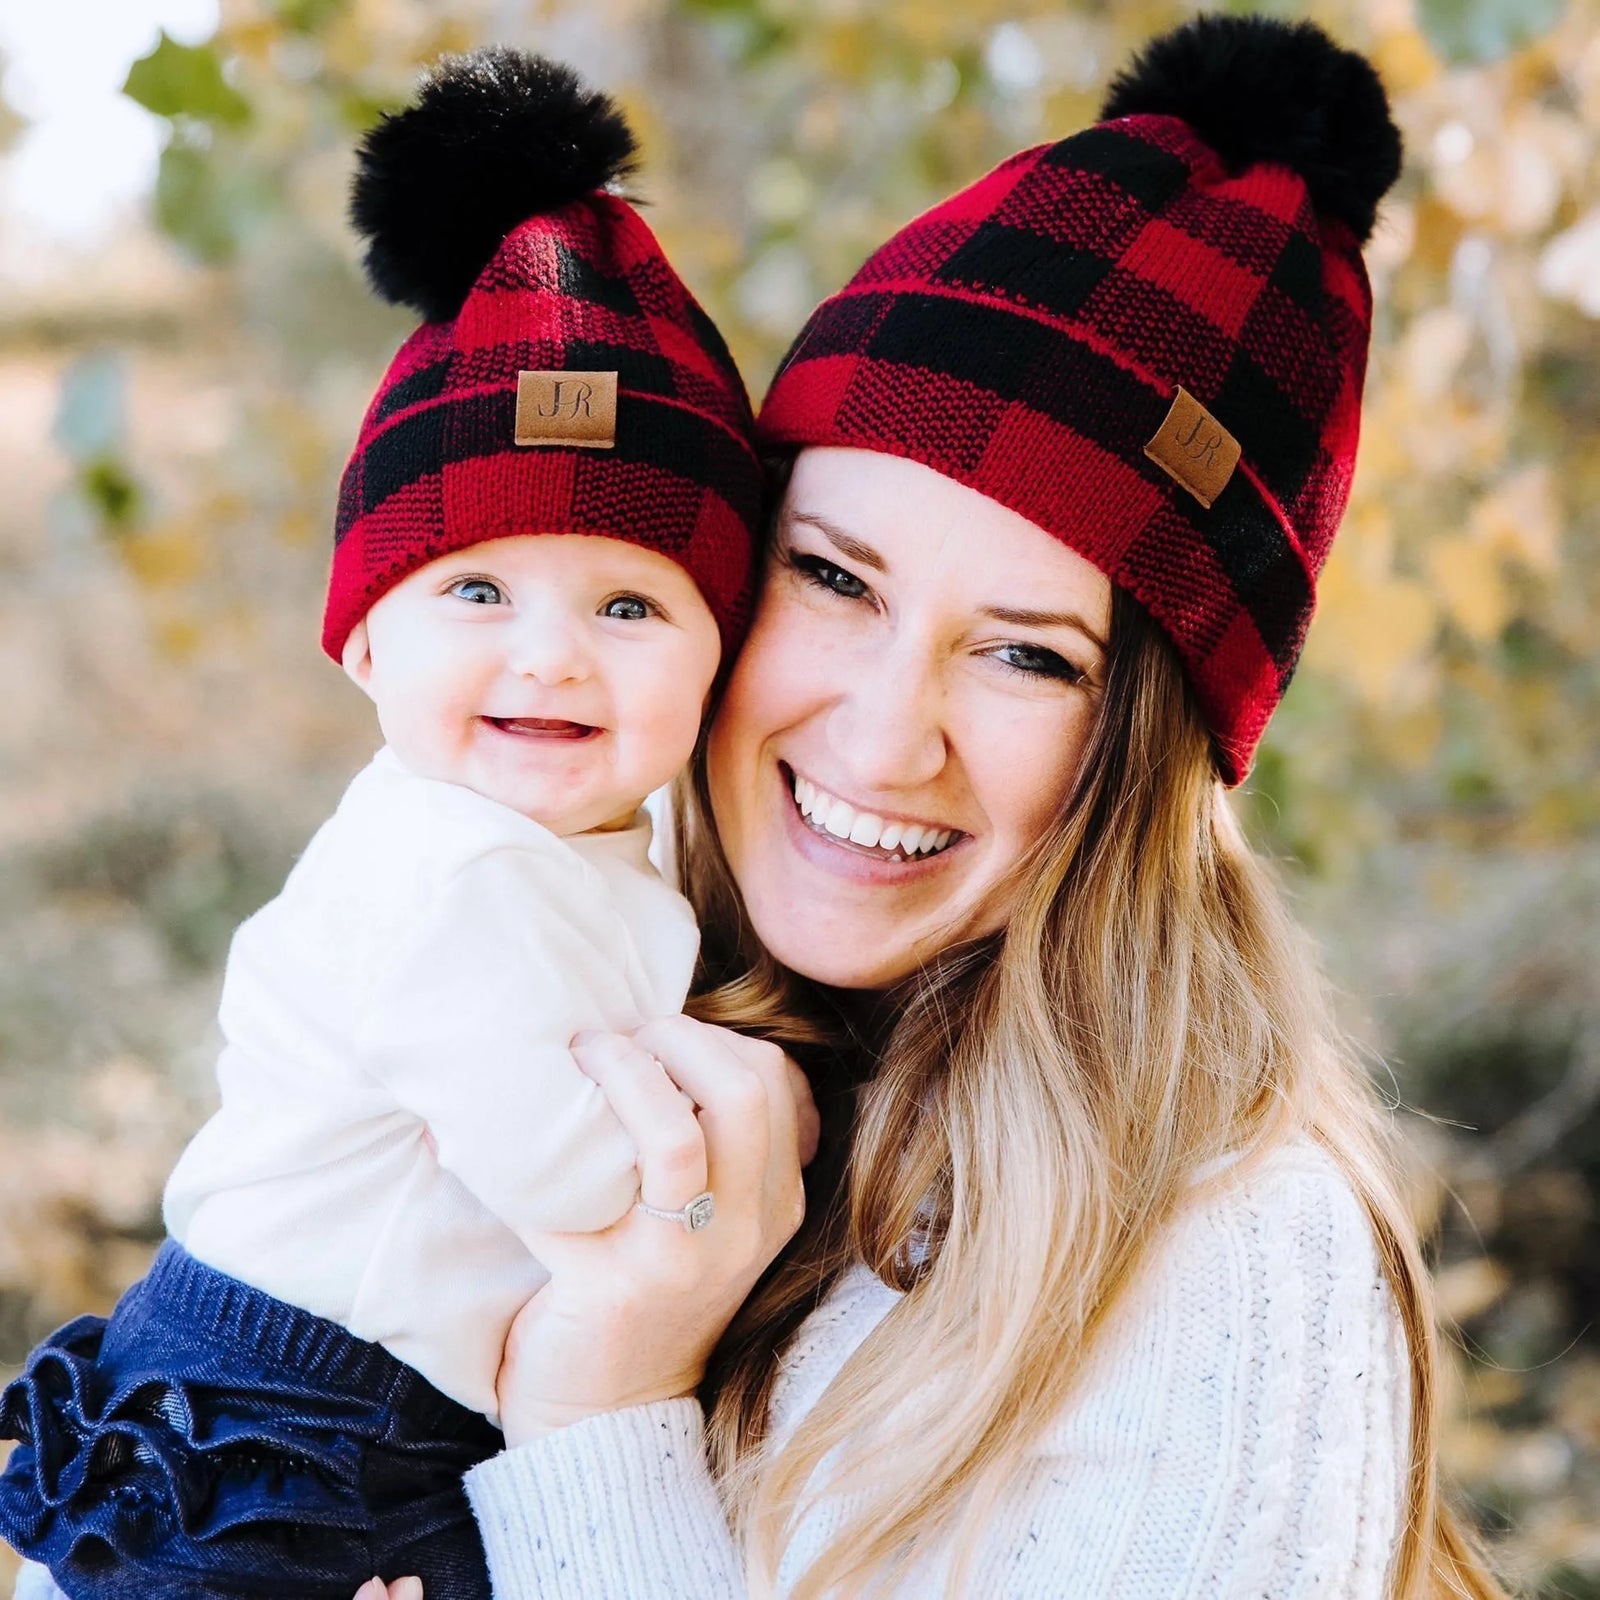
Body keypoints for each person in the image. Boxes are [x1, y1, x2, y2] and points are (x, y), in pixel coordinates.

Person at [359, 14, 1510, 1599]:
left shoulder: (1228, 1266)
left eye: (1030, 658)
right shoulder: (559, 1004)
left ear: (1149, 752)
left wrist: (602, 1409)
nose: (889, 741)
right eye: (833, 577)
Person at [0, 48, 769, 1600]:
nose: (548, 652)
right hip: (289, 1401)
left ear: (720, 666)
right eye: (476, 590)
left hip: (370, 1398)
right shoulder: (452, 868)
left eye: (630, 604)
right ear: (363, 642)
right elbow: (576, 1185)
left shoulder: (575, 854)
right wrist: (766, 1126)